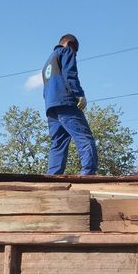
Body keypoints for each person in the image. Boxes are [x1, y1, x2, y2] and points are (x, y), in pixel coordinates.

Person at [42, 34, 98, 175]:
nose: (76, 55)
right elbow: (70, 75)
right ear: (69, 43)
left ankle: (52, 177)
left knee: (58, 143)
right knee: (84, 137)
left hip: (51, 107)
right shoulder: (66, 51)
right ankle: (88, 173)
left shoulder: (48, 62)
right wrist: (79, 94)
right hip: (65, 101)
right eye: (76, 50)